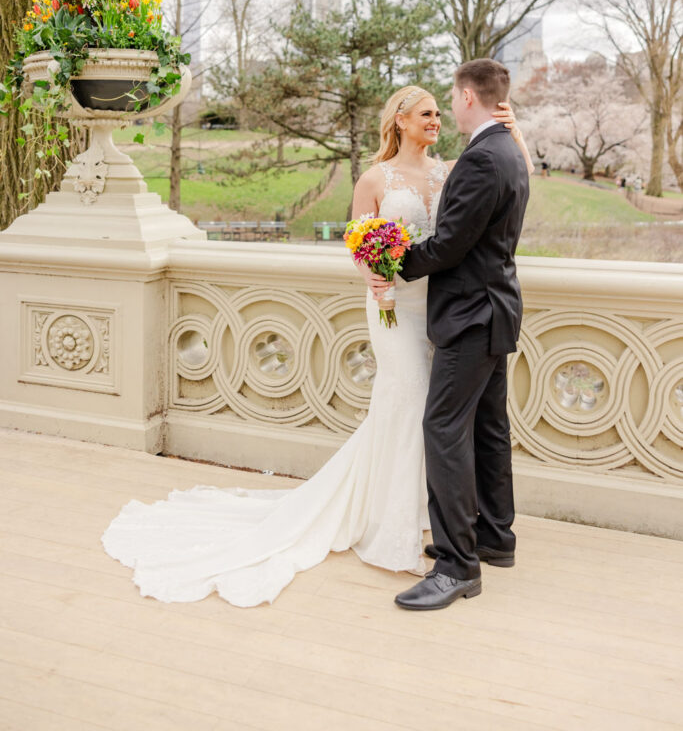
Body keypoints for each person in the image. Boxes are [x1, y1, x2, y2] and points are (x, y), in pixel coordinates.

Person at [101, 80, 533, 608]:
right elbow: (360, 241)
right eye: (425, 113)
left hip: (443, 307)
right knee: (412, 406)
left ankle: (438, 527)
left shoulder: (454, 168)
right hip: (399, 307)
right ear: (399, 120)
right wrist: (378, 272)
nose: (436, 121)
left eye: (439, 113)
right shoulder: (376, 178)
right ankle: (402, 525)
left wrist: (515, 135)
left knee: (441, 420)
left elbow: (493, 198)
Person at [368, 60, 530, 611]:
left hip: (470, 315)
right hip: (496, 308)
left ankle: (457, 566)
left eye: (449, 101)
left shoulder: (482, 157)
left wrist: (393, 264)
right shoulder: (508, 150)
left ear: (466, 97)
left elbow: (450, 244)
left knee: (443, 427)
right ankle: (495, 537)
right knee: (488, 426)